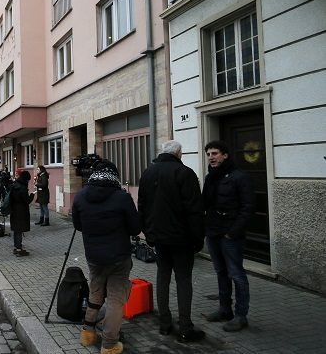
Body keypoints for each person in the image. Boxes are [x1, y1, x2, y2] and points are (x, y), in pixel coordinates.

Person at [137, 140, 205, 342]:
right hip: (182, 239)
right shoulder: (185, 173)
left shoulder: (148, 173)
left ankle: (165, 324)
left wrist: (148, 234)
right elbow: (195, 210)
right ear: (179, 153)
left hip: (159, 238)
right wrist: (198, 238)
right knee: (183, 280)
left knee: (162, 277)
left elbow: (142, 207)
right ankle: (185, 327)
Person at [72, 159, 141, 354]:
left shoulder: (81, 195)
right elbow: (135, 228)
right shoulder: (121, 197)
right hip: (118, 257)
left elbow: (78, 225)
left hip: (93, 256)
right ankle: (110, 343)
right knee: (115, 299)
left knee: (95, 292)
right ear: (114, 176)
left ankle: (87, 333)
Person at [203, 140, 254, 332]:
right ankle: (225, 309)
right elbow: (206, 205)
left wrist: (233, 232)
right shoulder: (210, 178)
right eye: (208, 154)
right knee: (221, 272)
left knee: (236, 274)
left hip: (230, 236)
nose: (211, 157)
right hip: (213, 233)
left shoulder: (240, 177)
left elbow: (248, 208)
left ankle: (241, 316)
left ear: (225, 155)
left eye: (215, 153)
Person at [9, 170, 34, 257]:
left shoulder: (14, 185)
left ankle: (16, 247)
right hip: (21, 211)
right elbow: (26, 201)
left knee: (16, 230)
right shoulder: (22, 188)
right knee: (19, 230)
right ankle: (19, 249)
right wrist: (32, 195)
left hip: (14, 210)